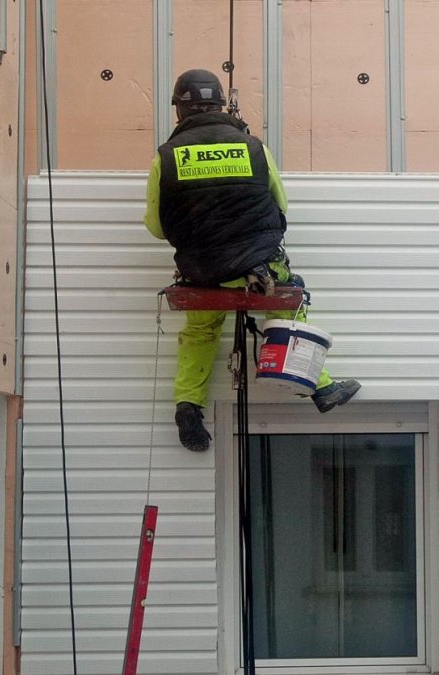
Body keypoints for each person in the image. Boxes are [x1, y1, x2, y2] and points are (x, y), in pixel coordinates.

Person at [144, 68, 361, 452]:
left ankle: (188, 405)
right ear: (222, 105)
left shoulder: (166, 157)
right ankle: (321, 388)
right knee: (289, 309)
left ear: (179, 110)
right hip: (258, 270)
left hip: (203, 273)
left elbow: (158, 228)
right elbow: (281, 204)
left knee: (200, 333)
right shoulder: (254, 147)